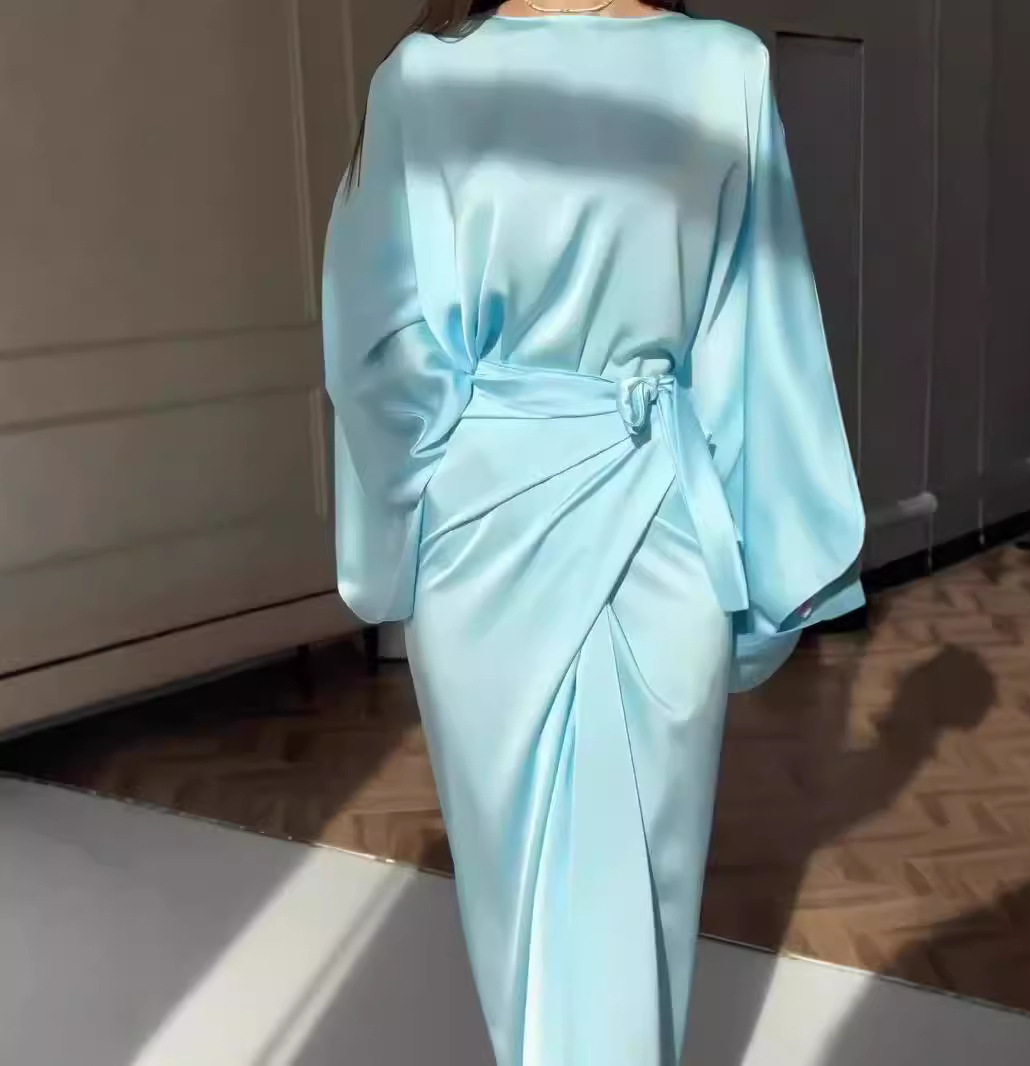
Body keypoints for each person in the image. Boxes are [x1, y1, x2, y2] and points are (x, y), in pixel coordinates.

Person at [322, 1, 865, 1062]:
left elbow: (758, 329)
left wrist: (760, 554)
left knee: (642, 901)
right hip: (491, 555)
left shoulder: (725, 70)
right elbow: (373, 332)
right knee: (515, 914)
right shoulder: (423, 79)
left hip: (638, 535)